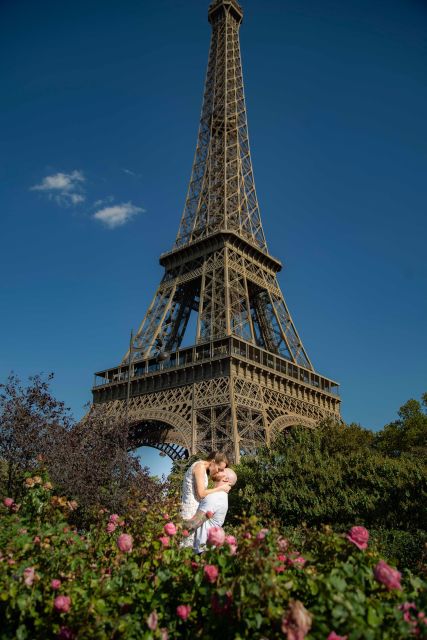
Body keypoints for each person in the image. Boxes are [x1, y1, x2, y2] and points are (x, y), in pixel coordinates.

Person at [180, 451, 230, 548]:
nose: (218, 472)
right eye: (219, 469)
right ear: (213, 461)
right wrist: (220, 488)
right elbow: (201, 494)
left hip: (195, 509)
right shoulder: (200, 467)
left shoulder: (202, 468)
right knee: (187, 547)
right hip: (190, 511)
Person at [183, 467, 237, 553]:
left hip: (202, 550)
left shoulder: (215, 497)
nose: (217, 470)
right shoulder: (219, 496)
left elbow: (193, 524)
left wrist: (174, 523)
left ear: (226, 479)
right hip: (206, 549)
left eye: (221, 471)